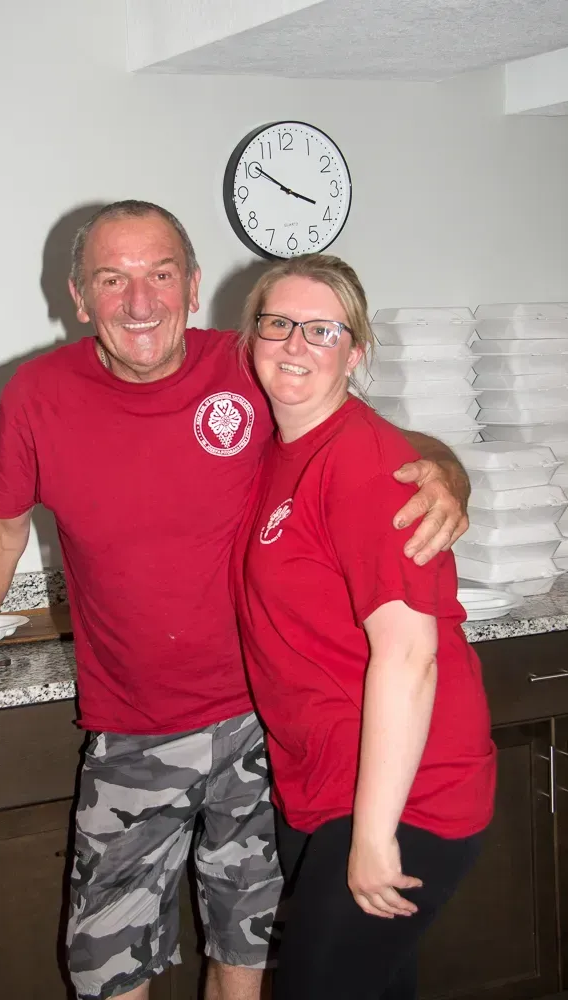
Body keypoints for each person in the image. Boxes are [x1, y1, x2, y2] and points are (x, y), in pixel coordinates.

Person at [0, 202, 471, 1000]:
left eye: (160, 275)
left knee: (248, 944)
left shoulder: (250, 363)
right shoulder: (35, 394)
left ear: (193, 286)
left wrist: (449, 476)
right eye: (112, 279)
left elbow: (371, 441)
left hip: (260, 725)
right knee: (105, 964)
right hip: (132, 725)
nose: (140, 301)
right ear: (79, 297)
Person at [231, 253, 496, 1000]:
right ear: (251, 337)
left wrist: (375, 834)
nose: (294, 344)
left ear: (355, 352)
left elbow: (410, 656)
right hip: (323, 782)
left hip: (405, 793)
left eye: (322, 330)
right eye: (278, 323)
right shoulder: (281, 452)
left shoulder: (362, 460)